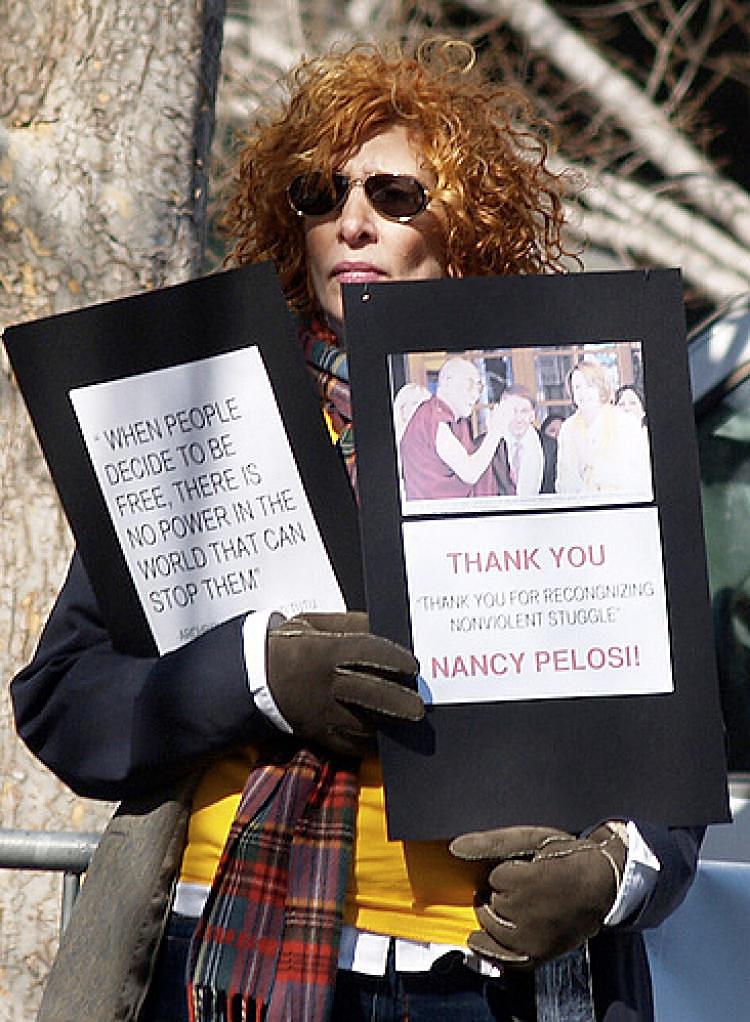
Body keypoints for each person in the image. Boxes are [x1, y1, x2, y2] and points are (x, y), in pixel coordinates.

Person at [11, 42, 700, 1022]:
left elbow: (661, 739)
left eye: (395, 195)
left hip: (471, 980)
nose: (353, 221)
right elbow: (66, 700)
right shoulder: (211, 418)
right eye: (319, 194)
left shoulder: (562, 435)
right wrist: (252, 668)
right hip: (213, 961)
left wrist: (609, 871)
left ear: (468, 227)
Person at [399, 357, 511, 500]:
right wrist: (495, 432)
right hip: (435, 515)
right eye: (469, 385)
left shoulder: (457, 421)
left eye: (479, 388)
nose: (475, 395)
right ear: (447, 382)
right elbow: (470, 473)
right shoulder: (432, 418)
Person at [556, 359, 652, 498]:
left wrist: (593, 464)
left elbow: (637, 476)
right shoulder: (568, 428)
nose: (583, 393)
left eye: (589, 385)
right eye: (577, 387)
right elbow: (563, 482)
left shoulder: (626, 423)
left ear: (601, 387)